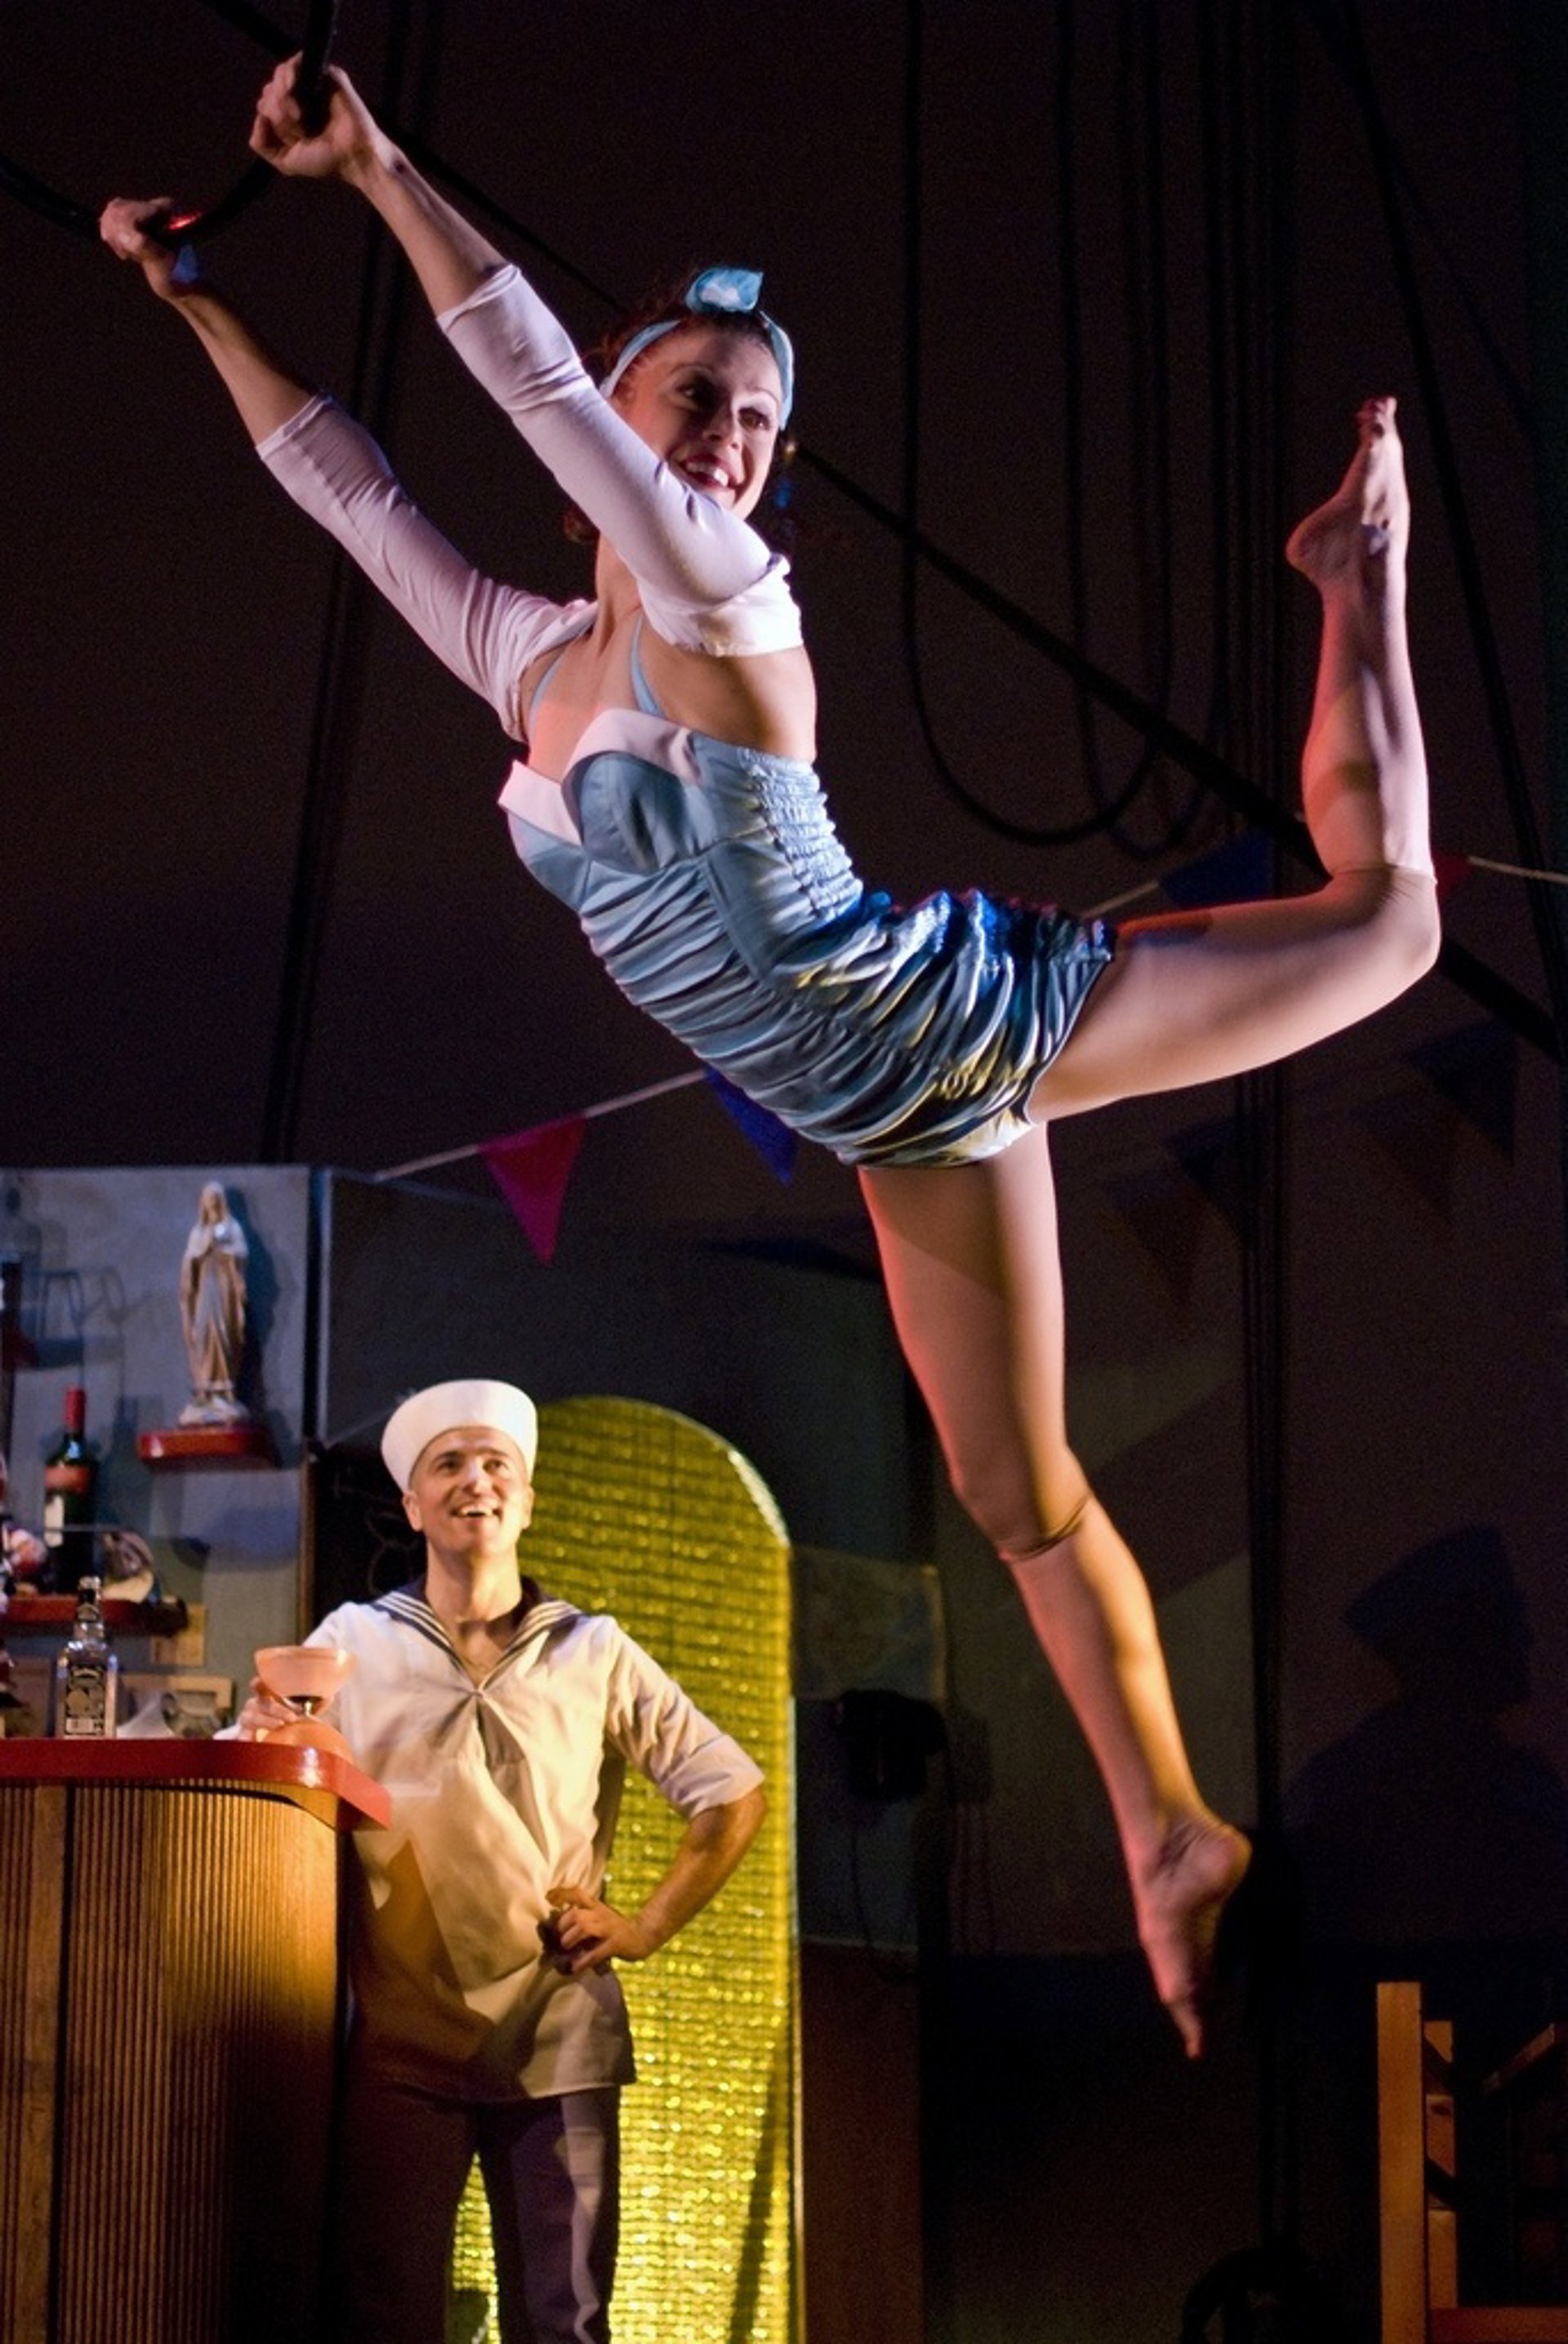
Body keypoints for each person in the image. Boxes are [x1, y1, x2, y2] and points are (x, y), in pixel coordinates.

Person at [103, 55, 1439, 2059]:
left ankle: (1358, 578)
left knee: (1397, 925)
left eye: (755, 417)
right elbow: (346, 485)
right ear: (616, 424)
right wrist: (194, 294)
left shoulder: (729, 596)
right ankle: (1170, 1836)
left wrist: (376, 168)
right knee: (1018, 1495)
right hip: (878, 1115)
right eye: (696, 398)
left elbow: (524, 378)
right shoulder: (534, 659)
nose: (729, 437)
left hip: (956, 1022)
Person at [234, 1375, 766, 2344]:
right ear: (412, 1503)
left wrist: (646, 1925)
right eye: (449, 1463)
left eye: (496, 1464)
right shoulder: (354, 1642)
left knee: (565, 2323)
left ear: (526, 1500)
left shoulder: (593, 1649)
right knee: (384, 2318)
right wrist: (267, 1731)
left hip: (557, 2035)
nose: (475, 1480)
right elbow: (259, 1765)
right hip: (402, 2043)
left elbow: (732, 1792)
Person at [178, 1179, 248, 1421]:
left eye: (216, 1198)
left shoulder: (232, 1228)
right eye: (208, 1199)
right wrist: (203, 1249)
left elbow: (241, 1253)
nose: (212, 1203)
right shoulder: (198, 1232)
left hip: (224, 1290)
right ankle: (204, 1387)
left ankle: (223, 1390)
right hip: (204, 1290)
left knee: (224, 1333)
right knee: (203, 1333)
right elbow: (189, 1260)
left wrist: (225, 1251)